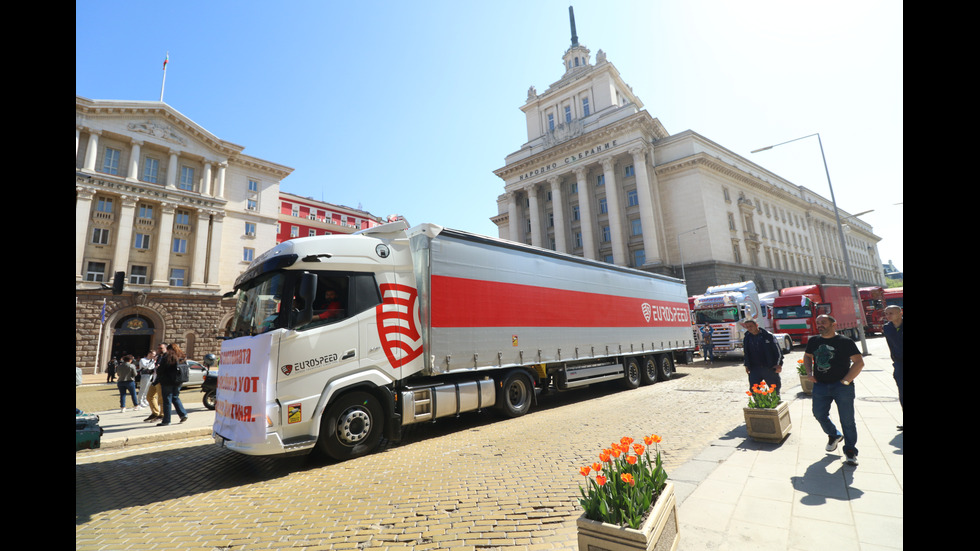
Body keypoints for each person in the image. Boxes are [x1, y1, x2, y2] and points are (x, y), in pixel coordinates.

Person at [804, 314, 864, 466]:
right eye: (818, 323)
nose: (820, 325)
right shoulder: (814, 341)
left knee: (847, 420)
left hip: (842, 387)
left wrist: (846, 380)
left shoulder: (845, 342)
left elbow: (859, 362)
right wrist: (809, 373)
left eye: (823, 322)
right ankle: (834, 434)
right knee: (819, 414)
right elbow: (807, 356)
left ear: (834, 324)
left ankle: (850, 451)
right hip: (820, 386)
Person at [741, 318, 783, 392]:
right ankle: (758, 403)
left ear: (756, 325)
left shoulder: (768, 336)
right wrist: (746, 365)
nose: (749, 328)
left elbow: (778, 352)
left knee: (774, 388)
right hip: (754, 368)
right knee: (754, 389)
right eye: (747, 327)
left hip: (769, 367)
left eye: (751, 326)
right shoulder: (747, 337)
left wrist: (778, 364)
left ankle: (776, 402)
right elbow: (746, 353)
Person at [155, 343, 189, 426]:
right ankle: (183, 414)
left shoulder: (167, 357)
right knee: (175, 397)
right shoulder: (182, 357)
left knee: (167, 400)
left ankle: (166, 420)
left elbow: (161, 370)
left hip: (167, 381)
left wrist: (157, 368)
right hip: (178, 381)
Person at [882, 305, 903, 430]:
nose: (888, 316)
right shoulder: (887, 328)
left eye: (891, 313)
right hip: (899, 364)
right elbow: (890, 345)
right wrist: (894, 360)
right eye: (886, 313)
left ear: (900, 313)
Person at [142, 343, 167, 423]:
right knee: (149, 396)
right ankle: (155, 413)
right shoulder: (159, 357)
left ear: (165, 348)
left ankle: (162, 415)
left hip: (161, 380)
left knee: (161, 399)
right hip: (155, 379)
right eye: (158, 348)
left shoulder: (166, 357)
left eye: (161, 348)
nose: (159, 350)